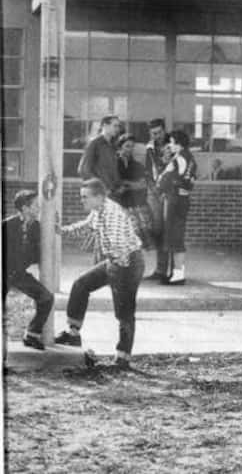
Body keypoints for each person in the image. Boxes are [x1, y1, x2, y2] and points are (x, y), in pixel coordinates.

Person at [55, 178, 144, 368]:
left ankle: (123, 357)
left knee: (124, 311)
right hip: (115, 260)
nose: (82, 201)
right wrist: (60, 231)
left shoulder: (113, 214)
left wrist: (117, 275)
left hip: (127, 263)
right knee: (81, 284)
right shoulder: (99, 210)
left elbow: (120, 248)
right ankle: (73, 334)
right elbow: (85, 227)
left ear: (99, 197)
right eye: (82, 197)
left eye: (85, 197)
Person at [2, 190, 54, 351]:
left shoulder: (37, 227)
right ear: (25, 208)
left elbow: (38, 254)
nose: (39, 208)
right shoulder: (7, 225)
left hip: (19, 274)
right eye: (36, 205)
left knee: (46, 298)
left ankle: (32, 335)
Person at [157, 130, 197, 285]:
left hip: (174, 199)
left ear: (180, 144)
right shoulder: (190, 158)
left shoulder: (179, 159)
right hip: (182, 198)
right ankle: (176, 273)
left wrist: (163, 181)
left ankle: (178, 275)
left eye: (173, 142)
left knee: (175, 237)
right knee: (176, 236)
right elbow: (190, 181)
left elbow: (167, 179)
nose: (170, 145)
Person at [144, 118, 171, 281]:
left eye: (160, 132)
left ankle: (172, 271)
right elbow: (148, 171)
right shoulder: (150, 147)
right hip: (154, 193)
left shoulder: (173, 145)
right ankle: (160, 269)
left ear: (164, 131)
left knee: (170, 231)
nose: (157, 136)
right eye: (154, 133)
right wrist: (153, 189)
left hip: (169, 192)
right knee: (158, 230)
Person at [116, 133, 151, 249]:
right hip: (117, 204)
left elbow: (143, 185)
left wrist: (126, 184)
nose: (130, 149)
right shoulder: (113, 164)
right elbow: (113, 184)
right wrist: (131, 184)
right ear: (120, 147)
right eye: (127, 146)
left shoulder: (136, 165)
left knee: (138, 233)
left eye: (132, 146)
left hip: (133, 203)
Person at [77, 115, 122, 197]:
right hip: (100, 194)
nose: (117, 129)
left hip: (113, 193)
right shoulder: (94, 144)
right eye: (115, 126)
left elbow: (112, 170)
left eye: (118, 126)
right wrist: (99, 188)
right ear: (105, 126)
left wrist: (117, 186)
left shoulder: (112, 146)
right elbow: (84, 169)